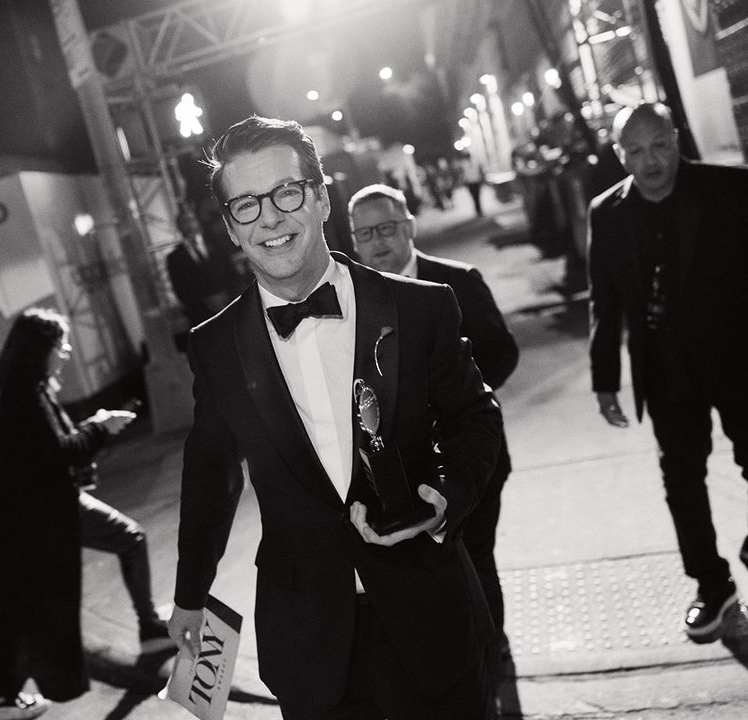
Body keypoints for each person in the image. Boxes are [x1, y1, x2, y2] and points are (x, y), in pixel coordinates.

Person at [166, 116, 504, 719]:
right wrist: (189, 595)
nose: (269, 218)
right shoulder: (215, 347)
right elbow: (211, 474)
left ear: (322, 198)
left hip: (432, 621)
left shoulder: (419, 307)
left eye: (286, 193)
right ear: (230, 228)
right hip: (312, 647)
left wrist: (446, 497)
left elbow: (475, 418)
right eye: (246, 205)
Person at [587, 102, 748, 643]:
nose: (650, 161)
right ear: (619, 155)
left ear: (675, 137)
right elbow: (606, 300)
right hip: (666, 372)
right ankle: (712, 584)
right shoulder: (606, 211)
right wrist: (604, 378)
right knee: (682, 483)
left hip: (747, 365)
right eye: (635, 151)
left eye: (659, 145)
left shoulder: (732, 189)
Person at [348, 182, 519, 716]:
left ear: (409, 228)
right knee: (428, 570)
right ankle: (453, 665)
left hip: (473, 462)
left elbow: (503, 354)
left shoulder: (457, 282)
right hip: (401, 474)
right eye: (365, 233)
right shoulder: (353, 301)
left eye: (387, 228)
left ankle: (490, 649)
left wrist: (451, 392)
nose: (377, 242)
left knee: (477, 558)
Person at [0, 308, 163, 720]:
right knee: (38, 613)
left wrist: (94, 424)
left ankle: (3, 699)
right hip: (49, 512)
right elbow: (60, 452)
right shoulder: (26, 395)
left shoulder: (24, 390)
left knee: (25, 613)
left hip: (38, 513)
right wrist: (100, 429)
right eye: (59, 344)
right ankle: (149, 629)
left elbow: (49, 445)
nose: (66, 350)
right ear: (39, 349)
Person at [167, 204, 235, 349]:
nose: (189, 224)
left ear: (197, 222)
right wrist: (207, 303)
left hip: (230, 306)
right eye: (184, 222)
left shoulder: (218, 244)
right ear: (179, 227)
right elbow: (180, 290)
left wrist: (225, 296)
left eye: (191, 220)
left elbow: (232, 274)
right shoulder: (174, 258)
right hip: (202, 316)